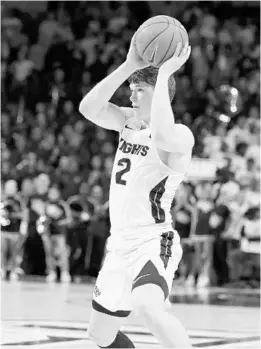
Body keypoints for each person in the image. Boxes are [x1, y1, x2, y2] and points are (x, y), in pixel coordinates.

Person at [79, 33, 193, 348]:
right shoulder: (128, 122)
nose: (131, 97)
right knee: (100, 334)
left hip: (153, 240)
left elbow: (165, 137)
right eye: (131, 90)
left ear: (158, 94)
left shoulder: (180, 136)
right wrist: (129, 66)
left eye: (139, 90)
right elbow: (89, 108)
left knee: (148, 307)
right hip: (120, 245)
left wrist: (166, 73)